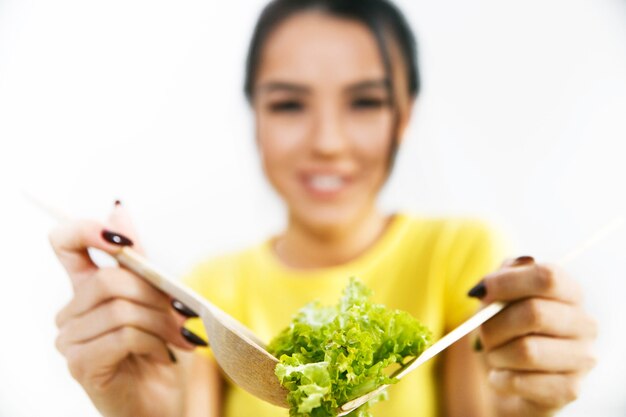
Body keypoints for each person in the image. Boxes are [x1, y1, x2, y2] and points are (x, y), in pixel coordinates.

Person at [48, 0, 597, 416]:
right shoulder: (211, 291)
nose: (328, 141)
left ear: (404, 118)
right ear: (256, 119)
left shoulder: (457, 253)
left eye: (366, 102)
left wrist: (523, 403)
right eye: (288, 105)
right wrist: (142, 412)